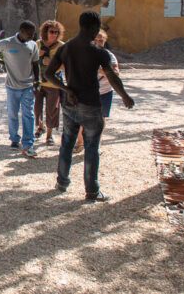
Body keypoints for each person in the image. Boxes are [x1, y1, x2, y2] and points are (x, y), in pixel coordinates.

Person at [45, 10, 135, 202]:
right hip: (91, 106)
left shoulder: (66, 48)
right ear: (94, 27)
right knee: (92, 148)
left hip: (70, 104)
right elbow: (111, 76)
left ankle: (62, 182)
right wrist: (125, 96)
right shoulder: (97, 51)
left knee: (67, 144)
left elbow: (48, 74)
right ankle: (92, 191)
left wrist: (66, 89)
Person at [0, 21, 40, 158]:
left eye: (33, 33)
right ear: (21, 31)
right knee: (12, 114)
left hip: (28, 86)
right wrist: (1, 62)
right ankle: (14, 139)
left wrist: (37, 80)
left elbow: (35, 64)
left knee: (29, 114)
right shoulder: (7, 43)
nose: (31, 36)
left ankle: (28, 143)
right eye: (29, 33)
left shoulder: (33, 45)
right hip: (12, 87)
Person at [73, 29, 120, 153]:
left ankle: (96, 144)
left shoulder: (109, 56)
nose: (98, 42)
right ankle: (80, 142)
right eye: (96, 40)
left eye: (101, 40)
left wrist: (101, 70)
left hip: (104, 92)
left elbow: (115, 73)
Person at [34, 20, 65, 146]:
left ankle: (49, 135)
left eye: (56, 32)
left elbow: (65, 65)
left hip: (53, 83)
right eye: (51, 31)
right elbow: (29, 61)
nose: (54, 34)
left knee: (52, 110)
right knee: (37, 108)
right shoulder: (37, 44)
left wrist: (51, 61)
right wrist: (37, 56)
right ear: (45, 31)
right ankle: (41, 126)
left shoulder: (61, 46)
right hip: (38, 82)